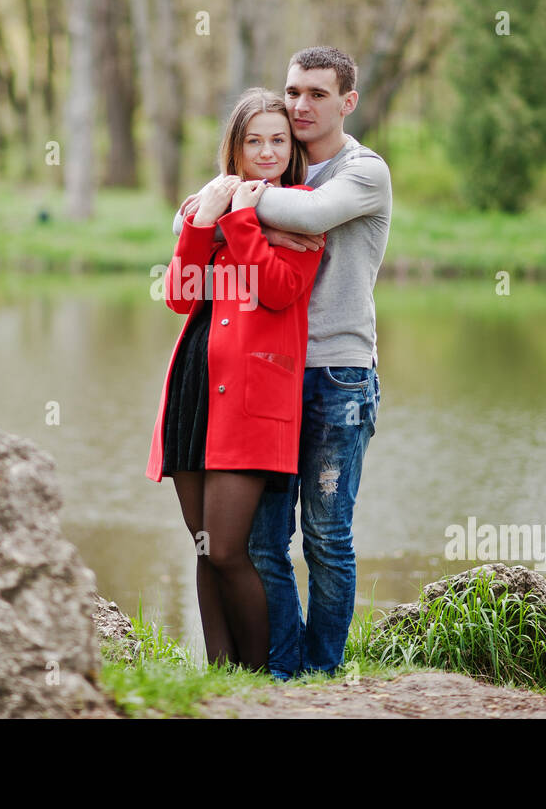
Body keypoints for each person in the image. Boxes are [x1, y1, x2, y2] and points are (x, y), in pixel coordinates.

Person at [173, 47, 391, 679]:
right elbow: (191, 220)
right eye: (294, 91)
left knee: (326, 538)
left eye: (317, 94)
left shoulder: (362, 171)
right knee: (261, 543)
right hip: (269, 378)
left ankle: (322, 672)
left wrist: (231, 204)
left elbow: (312, 216)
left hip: (337, 373)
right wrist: (221, 208)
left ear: (347, 102)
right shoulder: (279, 172)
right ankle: (279, 670)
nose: (300, 105)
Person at [146, 88, 325, 671]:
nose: (268, 150)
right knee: (202, 550)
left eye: (279, 139)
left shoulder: (301, 209)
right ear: (237, 149)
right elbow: (178, 295)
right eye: (255, 141)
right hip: (195, 388)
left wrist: (243, 220)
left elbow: (278, 290)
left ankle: (260, 676)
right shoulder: (214, 205)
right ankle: (221, 677)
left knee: (227, 548)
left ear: (292, 147)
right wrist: (203, 223)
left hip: (250, 400)